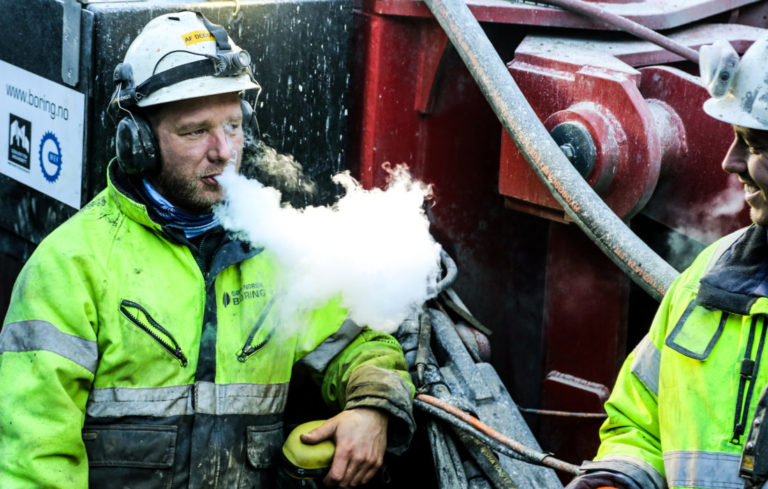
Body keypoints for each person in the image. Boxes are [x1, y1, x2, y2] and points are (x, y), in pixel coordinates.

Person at [0, 11, 415, 489]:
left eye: (234, 126)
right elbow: (31, 462)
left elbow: (362, 342)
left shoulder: (274, 249)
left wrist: (371, 408)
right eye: (196, 131)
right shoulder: (71, 267)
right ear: (139, 143)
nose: (224, 151)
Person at [565, 33, 768, 489]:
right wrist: (619, 479)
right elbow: (639, 422)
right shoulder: (710, 276)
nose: (730, 163)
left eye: (756, 146)